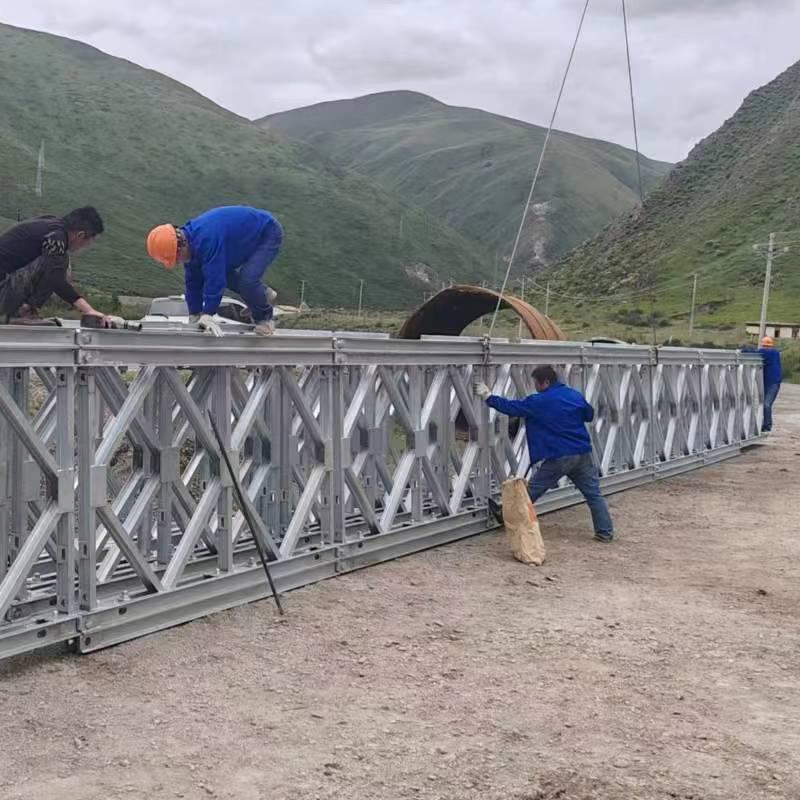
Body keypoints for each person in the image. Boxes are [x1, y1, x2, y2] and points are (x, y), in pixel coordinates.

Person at [475, 365, 614, 543]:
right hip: (581, 451)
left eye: (536, 383)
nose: (535, 387)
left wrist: (488, 396)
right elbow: (589, 414)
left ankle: (504, 516)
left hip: (559, 454)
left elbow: (511, 408)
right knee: (593, 494)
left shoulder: (538, 401)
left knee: (533, 490)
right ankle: (605, 532)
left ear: (545, 382)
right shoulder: (574, 395)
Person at [145, 206, 283, 336]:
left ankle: (265, 319)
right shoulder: (190, 249)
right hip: (241, 240)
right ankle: (263, 294)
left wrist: (208, 314)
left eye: (176, 258)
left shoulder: (207, 239)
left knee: (247, 280)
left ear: (181, 245)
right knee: (229, 276)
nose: (178, 262)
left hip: (267, 233)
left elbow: (215, 279)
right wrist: (195, 315)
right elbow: (193, 284)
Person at [0, 207, 110, 325]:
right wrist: (88, 310)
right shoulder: (56, 236)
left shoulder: (51, 225)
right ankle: (20, 312)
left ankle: (24, 310)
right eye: (88, 242)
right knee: (59, 261)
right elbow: (54, 277)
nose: (85, 247)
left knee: (58, 259)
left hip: (5, 286)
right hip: (3, 289)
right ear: (80, 235)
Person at [746, 336, 783, 432]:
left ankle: (767, 425)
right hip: (770, 382)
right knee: (764, 404)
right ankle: (763, 424)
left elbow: (753, 353)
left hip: (772, 383)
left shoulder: (769, 352)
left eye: (765, 346)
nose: (765, 348)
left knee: (766, 404)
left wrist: (742, 350)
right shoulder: (775, 352)